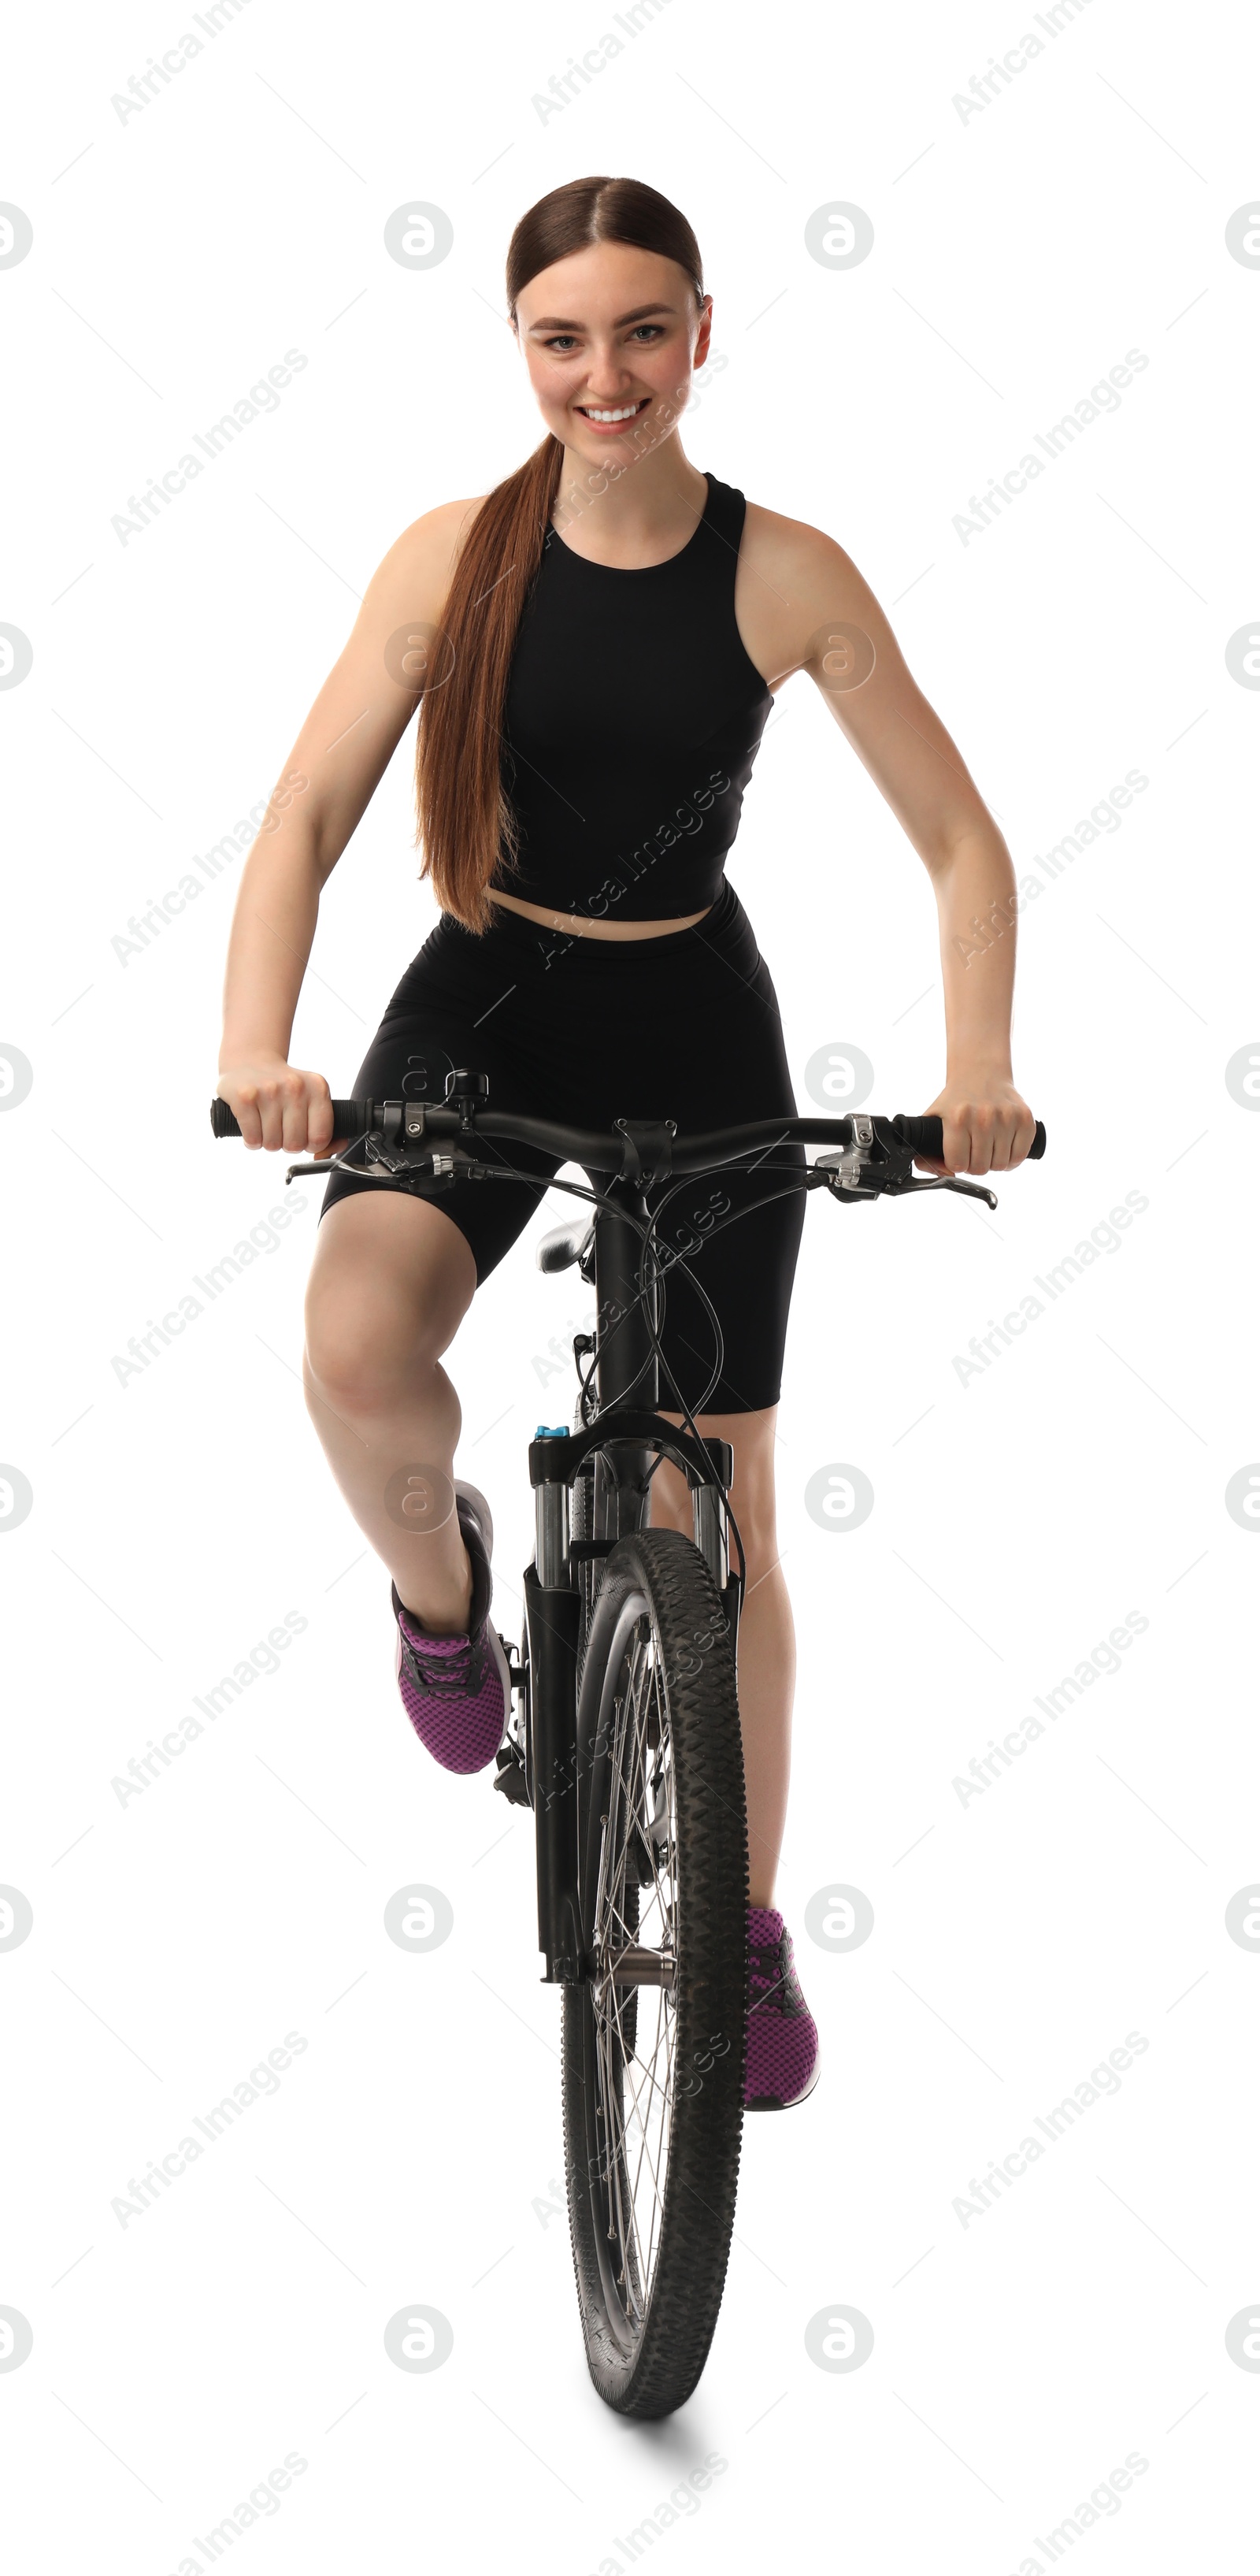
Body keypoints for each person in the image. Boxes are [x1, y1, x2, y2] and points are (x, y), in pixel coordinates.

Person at [216, 174, 1036, 2112]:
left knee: (720, 1515)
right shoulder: (453, 558)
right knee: (352, 1346)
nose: (607, 376)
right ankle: (444, 1606)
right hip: (483, 998)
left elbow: (962, 842)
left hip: (690, 1023)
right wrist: (261, 1047)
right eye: (564, 340)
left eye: (642, 333)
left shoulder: (784, 572)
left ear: (698, 332)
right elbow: (305, 812)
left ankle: (738, 1923)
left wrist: (974, 1068)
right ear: (521, 348)